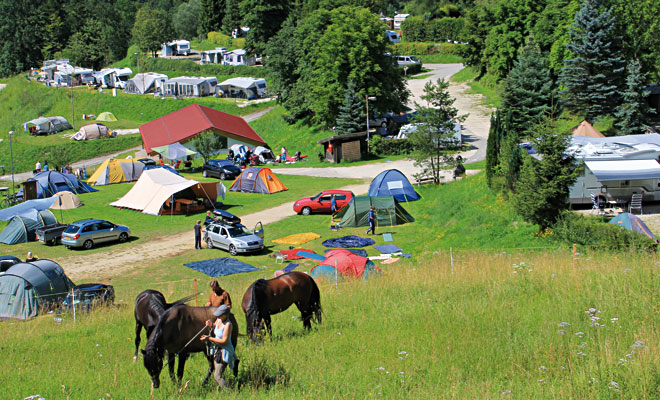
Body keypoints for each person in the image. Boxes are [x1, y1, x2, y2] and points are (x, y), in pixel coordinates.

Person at [200, 305, 239, 388]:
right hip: (217, 350)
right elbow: (216, 326)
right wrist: (211, 324)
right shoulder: (219, 320)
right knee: (216, 374)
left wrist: (209, 338)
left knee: (217, 376)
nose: (218, 316)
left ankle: (229, 392)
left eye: (220, 314)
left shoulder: (228, 325)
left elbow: (224, 341)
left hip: (224, 351)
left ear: (226, 315)